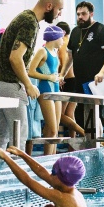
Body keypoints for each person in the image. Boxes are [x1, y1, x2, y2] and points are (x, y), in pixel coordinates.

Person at [0, 0, 64, 151]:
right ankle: (17, 175)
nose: (59, 14)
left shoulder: (26, 16)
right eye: (59, 9)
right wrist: (28, 84)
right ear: (49, 6)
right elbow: (15, 57)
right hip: (8, 82)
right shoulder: (29, 22)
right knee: (19, 135)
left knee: (3, 134)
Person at [60, 1, 104, 130]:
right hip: (80, 81)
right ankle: (88, 146)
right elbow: (70, 56)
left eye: (84, 14)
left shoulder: (102, 30)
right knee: (80, 115)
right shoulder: (75, 32)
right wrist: (62, 74)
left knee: (97, 114)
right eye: (78, 14)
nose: (80, 17)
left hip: (98, 82)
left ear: (91, 14)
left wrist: (102, 72)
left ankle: (101, 143)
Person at [0, 147, 88, 207]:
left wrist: (6, 158)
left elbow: (28, 181)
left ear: (61, 178)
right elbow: (41, 171)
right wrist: (22, 154)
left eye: (53, 172)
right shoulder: (70, 188)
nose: (50, 175)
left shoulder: (61, 197)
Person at [28, 25, 65, 155]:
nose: (63, 40)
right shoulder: (42, 51)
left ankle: (52, 158)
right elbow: (30, 71)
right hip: (45, 92)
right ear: (55, 37)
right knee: (53, 129)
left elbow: (53, 72)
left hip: (56, 92)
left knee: (53, 130)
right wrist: (48, 77)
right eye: (62, 37)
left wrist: (58, 77)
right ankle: (47, 159)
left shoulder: (55, 52)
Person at [56, 21, 84, 139]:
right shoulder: (74, 43)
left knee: (60, 114)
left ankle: (82, 133)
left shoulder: (63, 44)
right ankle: (72, 143)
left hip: (69, 80)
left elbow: (63, 62)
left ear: (62, 32)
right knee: (69, 113)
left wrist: (59, 75)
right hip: (77, 80)